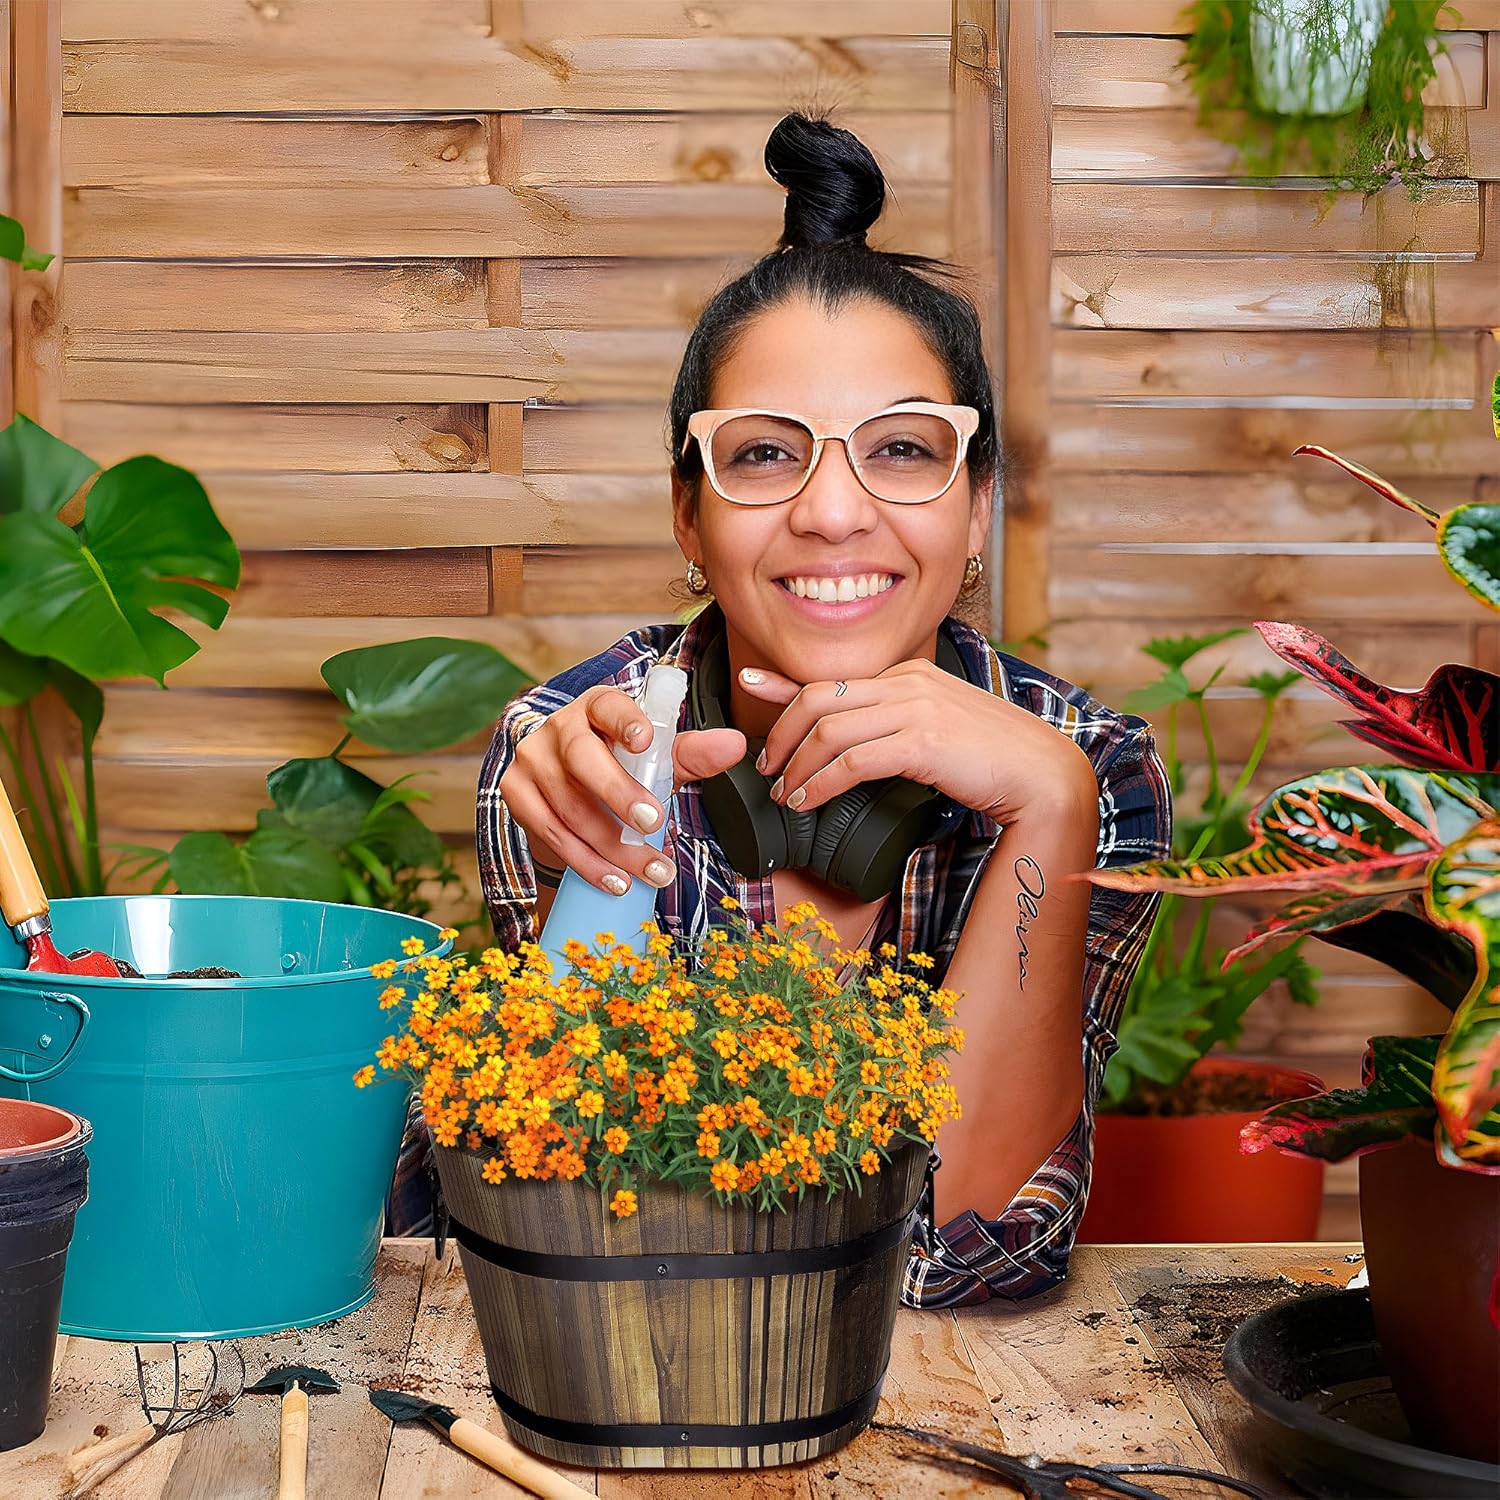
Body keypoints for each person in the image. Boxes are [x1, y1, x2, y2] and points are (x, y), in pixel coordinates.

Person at [393, 113, 1171, 1307]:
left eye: (903, 451)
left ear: (976, 511)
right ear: (686, 516)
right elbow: (605, 1246)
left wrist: (1049, 813)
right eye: (763, 456)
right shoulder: (573, 749)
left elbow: (969, 1251)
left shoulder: (1100, 771)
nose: (833, 513)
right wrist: (585, 868)